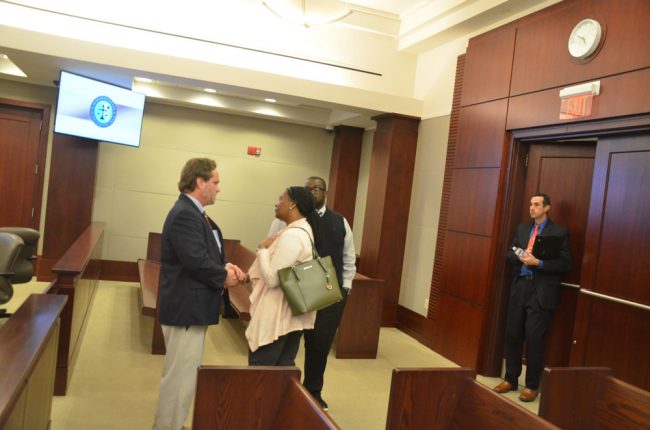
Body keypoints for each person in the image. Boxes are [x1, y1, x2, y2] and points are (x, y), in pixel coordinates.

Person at [152, 158, 245, 430]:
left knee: (185, 376)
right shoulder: (185, 213)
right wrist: (224, 277)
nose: (219, 188)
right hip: (185, 308)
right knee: (179, 377)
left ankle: (173, 424)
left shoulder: (196, 212)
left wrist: (224, 266)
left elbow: (204, 254)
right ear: (200, 182)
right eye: (215, 182)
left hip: (191, 306)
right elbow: (194, 260)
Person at [268, 176, 356, 411]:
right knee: (289, 344)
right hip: (295, 293)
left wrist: (345, 287)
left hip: (330, 296)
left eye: (317, 189)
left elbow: (349, 257)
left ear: (326, 192)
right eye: (308, 190)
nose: (313, 193)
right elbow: (270, 247)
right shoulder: (289, 219)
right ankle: (285, 391)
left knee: (319, 346)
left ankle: (313, 392)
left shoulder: (340, 221)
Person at [493, 193, 571, 402]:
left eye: (536, 204)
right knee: (512, 333)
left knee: (534, 339)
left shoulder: (559, 232)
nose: (532, 207)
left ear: (547, 208)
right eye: (530, 204)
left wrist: (539, 263)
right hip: (520, 287)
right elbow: (509, 253)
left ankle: (532, 385)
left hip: (541, 291)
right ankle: (510, 378)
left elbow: (565, 264)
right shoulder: (522, 228)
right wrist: (519, 255)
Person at [245, 186, 321, 366]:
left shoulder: (293, 236)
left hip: (278, 316)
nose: (276, 204)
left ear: (292, 204)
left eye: (281, 199)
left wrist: (262, 250)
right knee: (281, 373)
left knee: (261, 373)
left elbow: (273, 279)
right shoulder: (301, 230)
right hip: (290, 314)